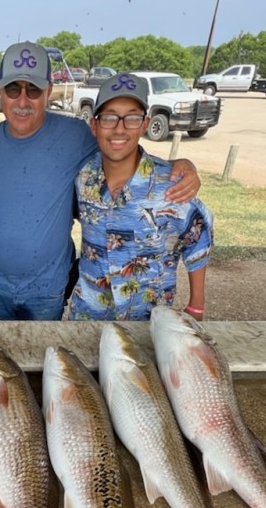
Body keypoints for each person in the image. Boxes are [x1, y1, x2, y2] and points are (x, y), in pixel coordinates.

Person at [0, 41, 202, 321]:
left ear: (49, 91)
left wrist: (180, 165)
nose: (22, 101)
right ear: (0, 91)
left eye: (33, 90)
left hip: (49, 288)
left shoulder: (76, 135)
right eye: (12, 89)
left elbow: (122, 145)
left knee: (44, 360)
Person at [66, 72, 213, 322]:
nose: (120, 129)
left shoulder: (172, 184)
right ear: (94, 125)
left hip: (146, 319)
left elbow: (198, 237)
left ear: (145, 124)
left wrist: (196, 306)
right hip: (88, 315)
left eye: (132, 118)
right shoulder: (82, 177)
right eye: (109, 118)